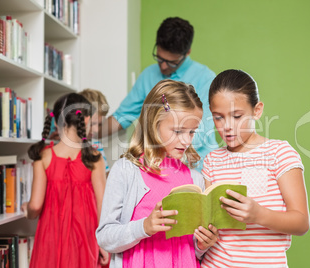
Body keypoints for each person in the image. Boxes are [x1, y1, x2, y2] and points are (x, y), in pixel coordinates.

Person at [96, 80, 219, 268]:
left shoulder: (195, 179)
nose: (186, 140)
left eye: (192, 132)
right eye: (178, 131)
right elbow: (105, 237)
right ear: (154, 124)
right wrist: (144, 227)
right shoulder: (126, 171)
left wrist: (202, 245)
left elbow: (191, 247)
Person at [201, 69, 310, 267]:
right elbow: (208, 224)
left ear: (257, 110)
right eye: (218, 117)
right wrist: (202, 239)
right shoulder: (212, 161)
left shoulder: (279, 153)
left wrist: (258, 214)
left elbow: (302, 223)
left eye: (236, 116)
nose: (227, 126)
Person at [107, 17, 218, 171]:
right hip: (156, 168)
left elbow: (201, 133)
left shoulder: (206, 79)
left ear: (187, 53)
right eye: (159, 59)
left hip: (197, 169)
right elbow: (121, 117)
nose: (164, 66)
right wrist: (86, 130)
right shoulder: (148, 75)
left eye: (171, 62)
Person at [23, 93, 109, 267]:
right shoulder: (94, 158)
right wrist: (104, 243)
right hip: (85, 237)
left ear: (56, 123)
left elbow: (36, 205)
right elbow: (103, 204)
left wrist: (27, 210)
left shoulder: (43, 157)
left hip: (51, 237)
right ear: (85, 120)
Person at [80, 88, 111, 176]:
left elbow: (106, 176)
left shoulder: (96, 145)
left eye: (100, 124)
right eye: (92, 124)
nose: (96, 130)